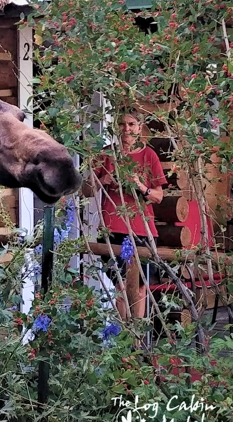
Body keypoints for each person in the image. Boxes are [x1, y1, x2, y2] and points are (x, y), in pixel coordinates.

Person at [83, 108, 166, 319]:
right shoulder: (106, 154)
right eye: (122, 124)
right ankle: (125, 338)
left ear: (139, 127)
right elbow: (85, 190)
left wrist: (140, 186)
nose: (126, 129)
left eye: (131, 124)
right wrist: (104, 181)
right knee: (120, 287)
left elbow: (158, 196)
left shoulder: (149, 155)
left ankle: (137, 344)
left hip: (142, 231)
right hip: (113, 229)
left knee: (139, 288)